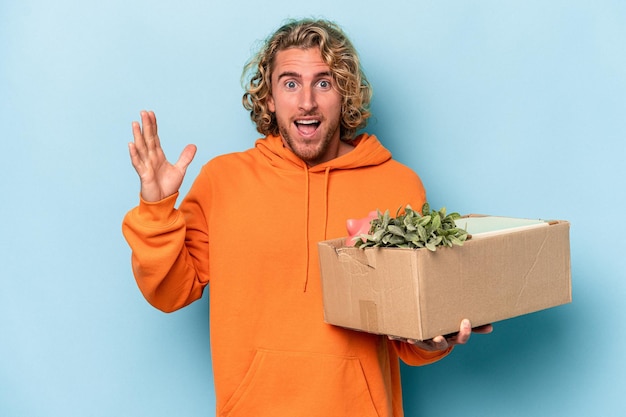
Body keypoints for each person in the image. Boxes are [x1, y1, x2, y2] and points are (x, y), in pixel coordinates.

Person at [122, 18, 492, 417]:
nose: (307, 102)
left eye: (324, 82)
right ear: (269, 98)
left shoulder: (397, 186)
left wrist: (431, 341)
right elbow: (170, 292)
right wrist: (157, 211)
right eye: (291, 83)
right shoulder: (223, 180)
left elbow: (408, 334)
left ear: (345, 93)